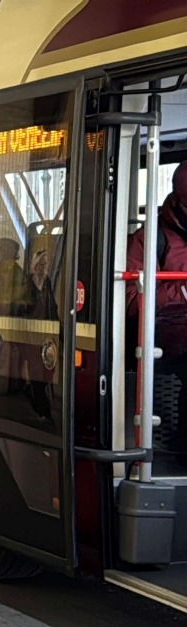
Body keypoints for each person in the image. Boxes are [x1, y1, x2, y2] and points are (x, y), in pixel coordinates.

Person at [128, 161, 187, 448]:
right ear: (179, 201)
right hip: (166, 332)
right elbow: (129, 298)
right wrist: (181, 293)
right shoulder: (152, 238)